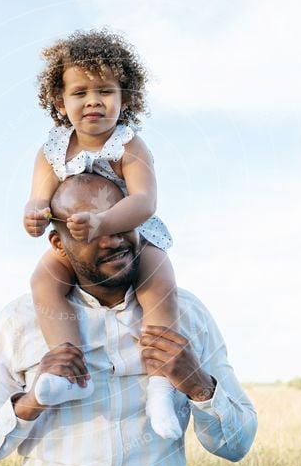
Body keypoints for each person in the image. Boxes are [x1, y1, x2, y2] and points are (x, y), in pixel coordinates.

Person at [0, 173, 257, 466]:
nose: (112, 240)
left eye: (118, 222)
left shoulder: (189, 314)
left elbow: (238, 444)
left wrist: (199, 386)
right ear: (58, 244)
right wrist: (30, 402)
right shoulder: (20, 321)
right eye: (89, 230)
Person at [23, 29, 183, 439]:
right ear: (60, 102)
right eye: (79, 93)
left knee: (159, 280)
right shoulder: (52, 150)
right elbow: (38, 197)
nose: (93, 101)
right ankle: (67, 362)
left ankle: (161, 385)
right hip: (78, 244)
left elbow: (145, 201)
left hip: (131, 236)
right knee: (44, 279)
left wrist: (105, 222)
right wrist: (36, 214)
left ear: (125, 99)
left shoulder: (128, 145)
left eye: (105, 91)